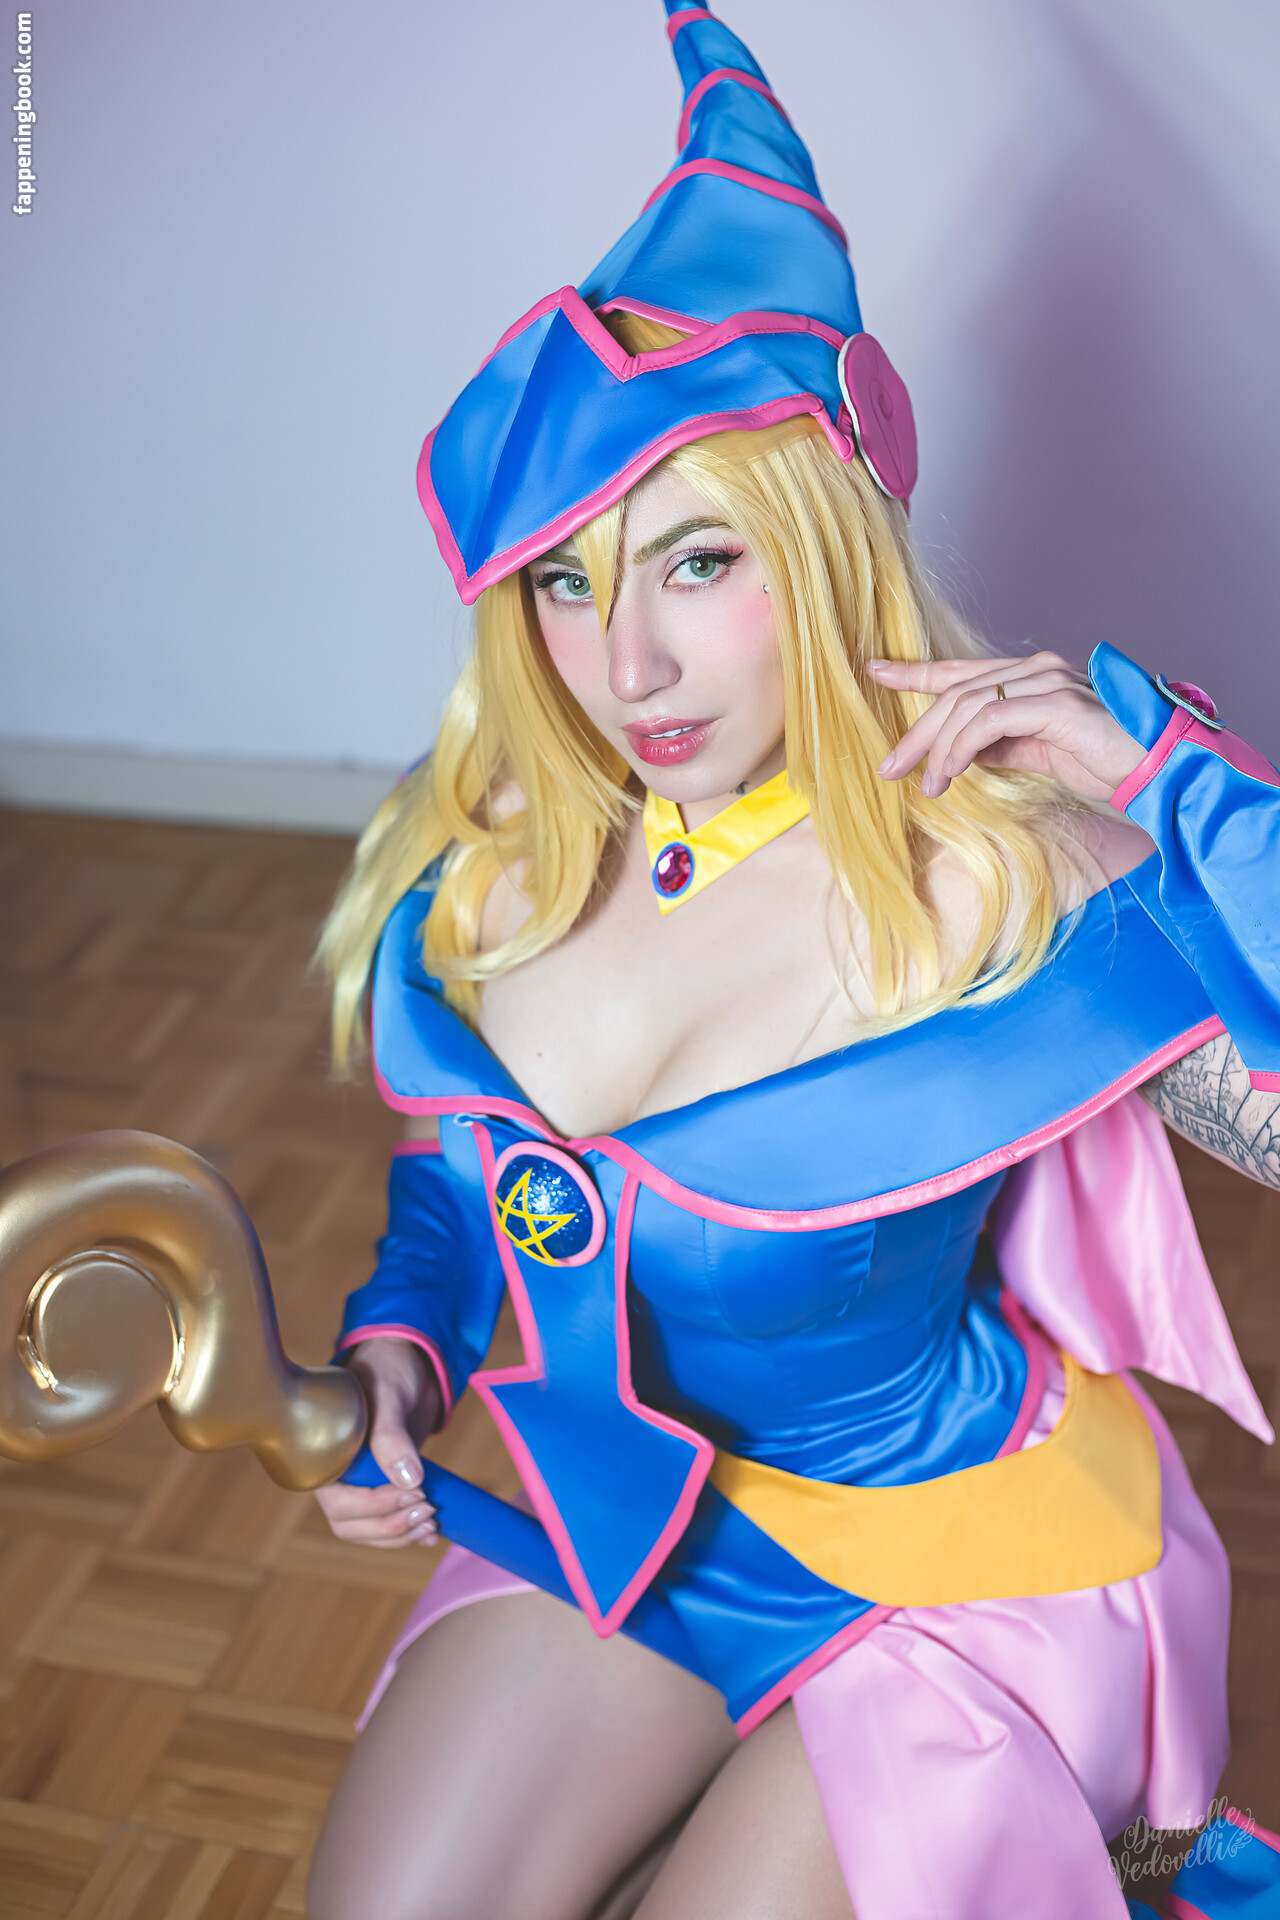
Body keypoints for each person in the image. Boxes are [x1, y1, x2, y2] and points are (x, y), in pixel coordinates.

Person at [306, 8, 1280, 1916]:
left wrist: (1181, 790)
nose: (629, 667)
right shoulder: (500, 870)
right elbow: (460, 1191)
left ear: (823, 548)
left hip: (974, 1572)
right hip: (638, 1527)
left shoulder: (1007, 879)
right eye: (570, 579)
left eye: (698, 563)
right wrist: (401, 1353)